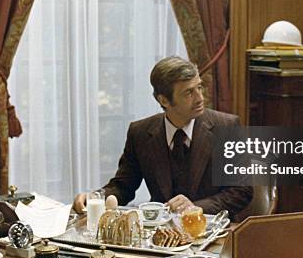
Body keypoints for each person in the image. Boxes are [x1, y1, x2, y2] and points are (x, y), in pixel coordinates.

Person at [73, 56, 253, 216]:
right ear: (164, 100)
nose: (200, 98)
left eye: (199, 87)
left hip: (211, 230)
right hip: (161, 236)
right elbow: (123, 186)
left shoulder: (227, 126)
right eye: (189, 92)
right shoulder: (140, 132)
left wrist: (196, 208)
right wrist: (95, 198)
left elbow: (241, 190)